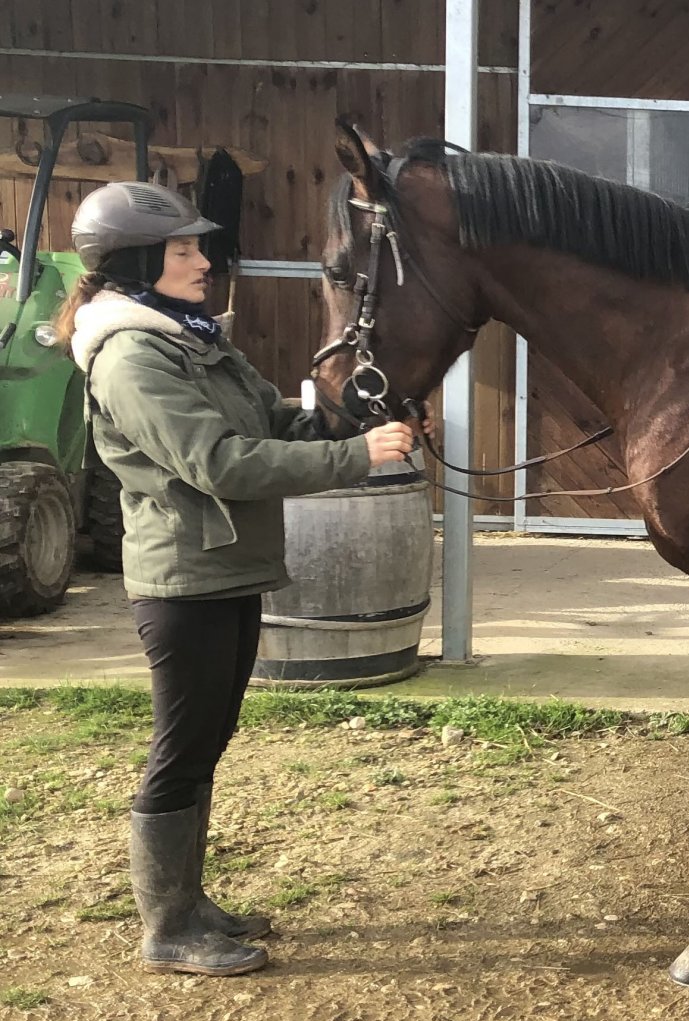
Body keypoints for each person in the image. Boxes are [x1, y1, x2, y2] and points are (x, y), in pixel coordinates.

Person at [55, 180, 418, 977]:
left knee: (208, 742)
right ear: (135, 261)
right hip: (182, 581)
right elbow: (217, 462)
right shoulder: (132, 356)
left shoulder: (191, 339)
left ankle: (189, 903)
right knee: (182, 748)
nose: (203, 262)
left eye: (199, 248)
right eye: (183, 250)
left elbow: (269, 421)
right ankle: (167, 929)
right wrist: (353, 458)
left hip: (227, 571)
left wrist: (343, 418)